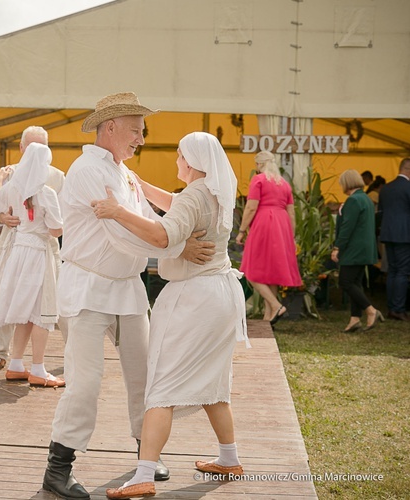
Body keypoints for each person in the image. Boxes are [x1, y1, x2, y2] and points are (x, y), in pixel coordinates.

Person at [41, 93, 215, 499]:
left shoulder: (123, 173)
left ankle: (146, 458)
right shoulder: (86, 170)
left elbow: (148, 220)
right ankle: (57, 469)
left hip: (128, 289)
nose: (141, 139)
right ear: (112, 127)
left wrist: (176, 235)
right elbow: (121, 236)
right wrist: (177, 247)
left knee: (146, 378)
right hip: (87, 288)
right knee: (84, 383)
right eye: (136, 131)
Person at [92, 132, 249, 499]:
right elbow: (179, 204)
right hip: (221, 295)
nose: (176, 162)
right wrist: (142, 186)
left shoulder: (196, 194)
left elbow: (164, 235)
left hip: (194, 300)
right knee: (214, 384)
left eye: (179, 155)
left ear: (191, 160)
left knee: (161, 388)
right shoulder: (217, 189)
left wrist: (118, 211)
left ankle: (144, 474)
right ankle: (230, 458)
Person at [0, 125, 66, 373]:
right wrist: (2, 219)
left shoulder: (57, 177)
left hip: (45, 247)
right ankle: (1, 353)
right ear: (21, 148)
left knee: (56, 299)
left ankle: (72, 351)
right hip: (14, 243)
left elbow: (64, 213)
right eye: (31, 146)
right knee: (6, 294)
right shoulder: (10, 175)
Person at [236, 151, 302, 325]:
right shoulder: (284, 184)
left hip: (264, 223)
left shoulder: (258, 180)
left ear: (259, 165)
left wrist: (242, 230)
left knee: (250, 270)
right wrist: (291, 235)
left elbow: (251, 207)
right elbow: (292, 212)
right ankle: (268, 317)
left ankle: (275, 305)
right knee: (271, 273)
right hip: (282, 226)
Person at [331, 170, 383, 332]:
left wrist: (337, 247)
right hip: (366, 248)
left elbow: (347, 227)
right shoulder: (366, 198)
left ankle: (371, 311)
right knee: (355, 283)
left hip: (354, 249)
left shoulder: (353, 200)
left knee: (345, 282)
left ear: (346, 183)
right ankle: (355, 318)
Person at [378, 157, 410, 321]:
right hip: (405, 235)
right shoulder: (409, 187)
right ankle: (398, 309)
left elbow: (381, 211)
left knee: (392, 270)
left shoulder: (385, 188)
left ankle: (391, 307)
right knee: (403, 272)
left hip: (388, 234)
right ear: (409, 170)